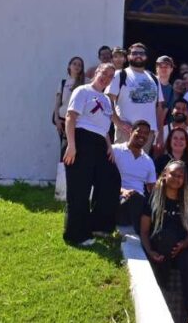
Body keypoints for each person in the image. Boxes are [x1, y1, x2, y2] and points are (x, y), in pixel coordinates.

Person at [63, 63, 121, 246]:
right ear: (97, 72)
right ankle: (76, 235)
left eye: (111, 76)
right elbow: (71, 117)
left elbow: (104, 127)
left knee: (111, 180)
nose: (106, 78)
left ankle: (98, 225)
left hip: (100, 144)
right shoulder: (83, 91)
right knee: (80, 189)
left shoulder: (106, 100)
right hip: (81, 140)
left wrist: (109, 147)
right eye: (104, 73)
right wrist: (71, 145)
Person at [140, 161, 188, 323]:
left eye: (180, 176)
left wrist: (184, 243)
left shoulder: (186, 202)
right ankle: (160, 298)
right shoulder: (153, 199)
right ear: (164, 174)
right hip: (160, 248)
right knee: (166, 236)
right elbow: (144, 231)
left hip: (180, 249)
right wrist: (150, 251)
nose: (177, 178)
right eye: (173, 174)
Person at [107, 42, 164, 152]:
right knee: (122, 162)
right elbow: (107, 101)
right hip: (126, 131)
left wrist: (160, 134)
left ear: (146, 56)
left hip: (148, 133)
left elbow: (159, 108)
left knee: (142, 162)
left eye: (141, 53)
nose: (138, 56)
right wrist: (118, 123)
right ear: (128, 56)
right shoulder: (120, 74)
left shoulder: (154, 79)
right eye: (134, 53)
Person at [52, 56, 86, 200]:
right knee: (64, 152)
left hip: (78, 122)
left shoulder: (85, 83)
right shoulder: (63, 82)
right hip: (62, 120)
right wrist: (56, 119)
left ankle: (76, 187)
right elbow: (57, 103)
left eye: (79, 65)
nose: (77, 66)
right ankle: (62, 190)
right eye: (74, 64)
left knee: (78, 153)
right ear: (69, 66)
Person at [113, 120, 157, 227]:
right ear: (131, 132)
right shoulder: (115, 150)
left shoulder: (148, 161)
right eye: (139, 131)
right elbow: (105, 178)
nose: (142, 135)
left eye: (146, 133)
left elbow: (152, 189)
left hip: (139, 202)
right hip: (117, 197)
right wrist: (123, 191)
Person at [155, 120, 188, 198]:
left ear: (186, 142)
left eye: (182, 139)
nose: (178, 141)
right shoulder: (161, 160)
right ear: (170, 141)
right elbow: (156, 181)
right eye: (175, 138)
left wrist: (187, 200)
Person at [155, 55, 176, 125]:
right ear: (156, 68)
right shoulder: (150, 82)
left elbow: (164, 112)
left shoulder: (171, 90)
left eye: (166, 66)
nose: (163, 69)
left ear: (171, 69)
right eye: (161, 66)